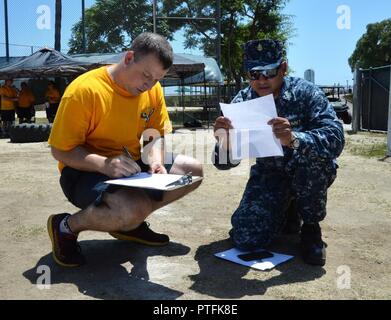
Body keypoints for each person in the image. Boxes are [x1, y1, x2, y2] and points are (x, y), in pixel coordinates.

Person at [48, 32, 203, 267]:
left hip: (131, 165)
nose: (149, 84)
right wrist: (104, 164)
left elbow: (154, 135)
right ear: (129, 57)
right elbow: (61, 151)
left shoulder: (152, 89)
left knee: (193, 171)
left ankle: (131, 224)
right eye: (146, 75)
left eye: (157, 79)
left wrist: (156, 161)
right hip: (82, 171)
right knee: (131, 207)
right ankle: (65, 226)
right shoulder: (84, 91)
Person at [213, 40, 345, 266]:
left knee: (309, 164)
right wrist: (224, 142)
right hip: (271, 174)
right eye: (255, 74)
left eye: (270, 72)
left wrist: (293, 139)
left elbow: (336, 139)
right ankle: (288, 211)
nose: (262, 80)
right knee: (245, 238)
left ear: (283, 68)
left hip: (307, 170)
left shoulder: (306, 93)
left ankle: (311, 228)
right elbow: (224, 164)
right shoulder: (244, 100)